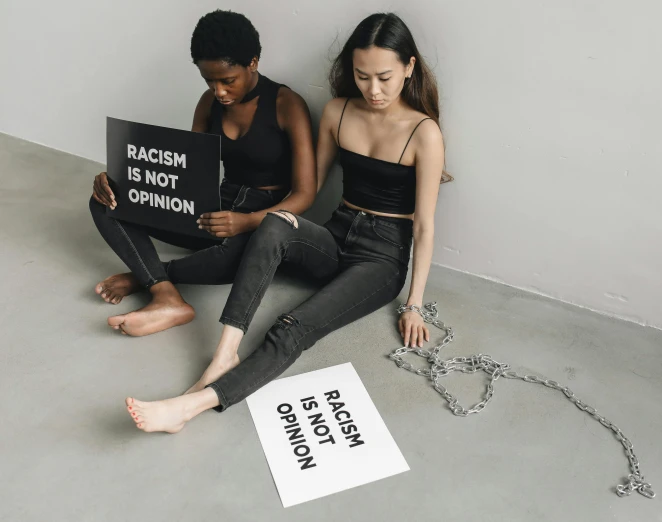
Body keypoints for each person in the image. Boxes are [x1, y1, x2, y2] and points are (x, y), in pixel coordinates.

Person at [125, 12, 449, 433]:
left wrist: (414, 304)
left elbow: (423, 226)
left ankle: (192, 406)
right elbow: (306, 191)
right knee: (275, 222)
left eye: (385, 77)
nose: (373, 89)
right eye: (362, 75)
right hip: (336, 234)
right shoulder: (338, 111)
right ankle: (226, 350)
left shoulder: (425, 133)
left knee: (294, 326)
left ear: (409, 68)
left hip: (381, 257)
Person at [89, 10, 316, 336]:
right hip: (216, 204)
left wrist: (248, 221)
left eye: (228, 80)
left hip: (264, 218)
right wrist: (120, 179)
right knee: (105, 201)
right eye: (209, 81)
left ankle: (149, 274)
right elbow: (189, 172)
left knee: (244, 257)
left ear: (252, 62)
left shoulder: (286, 104)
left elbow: (306, 193)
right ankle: (164, 293)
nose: (219, 91)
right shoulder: (208, 104)